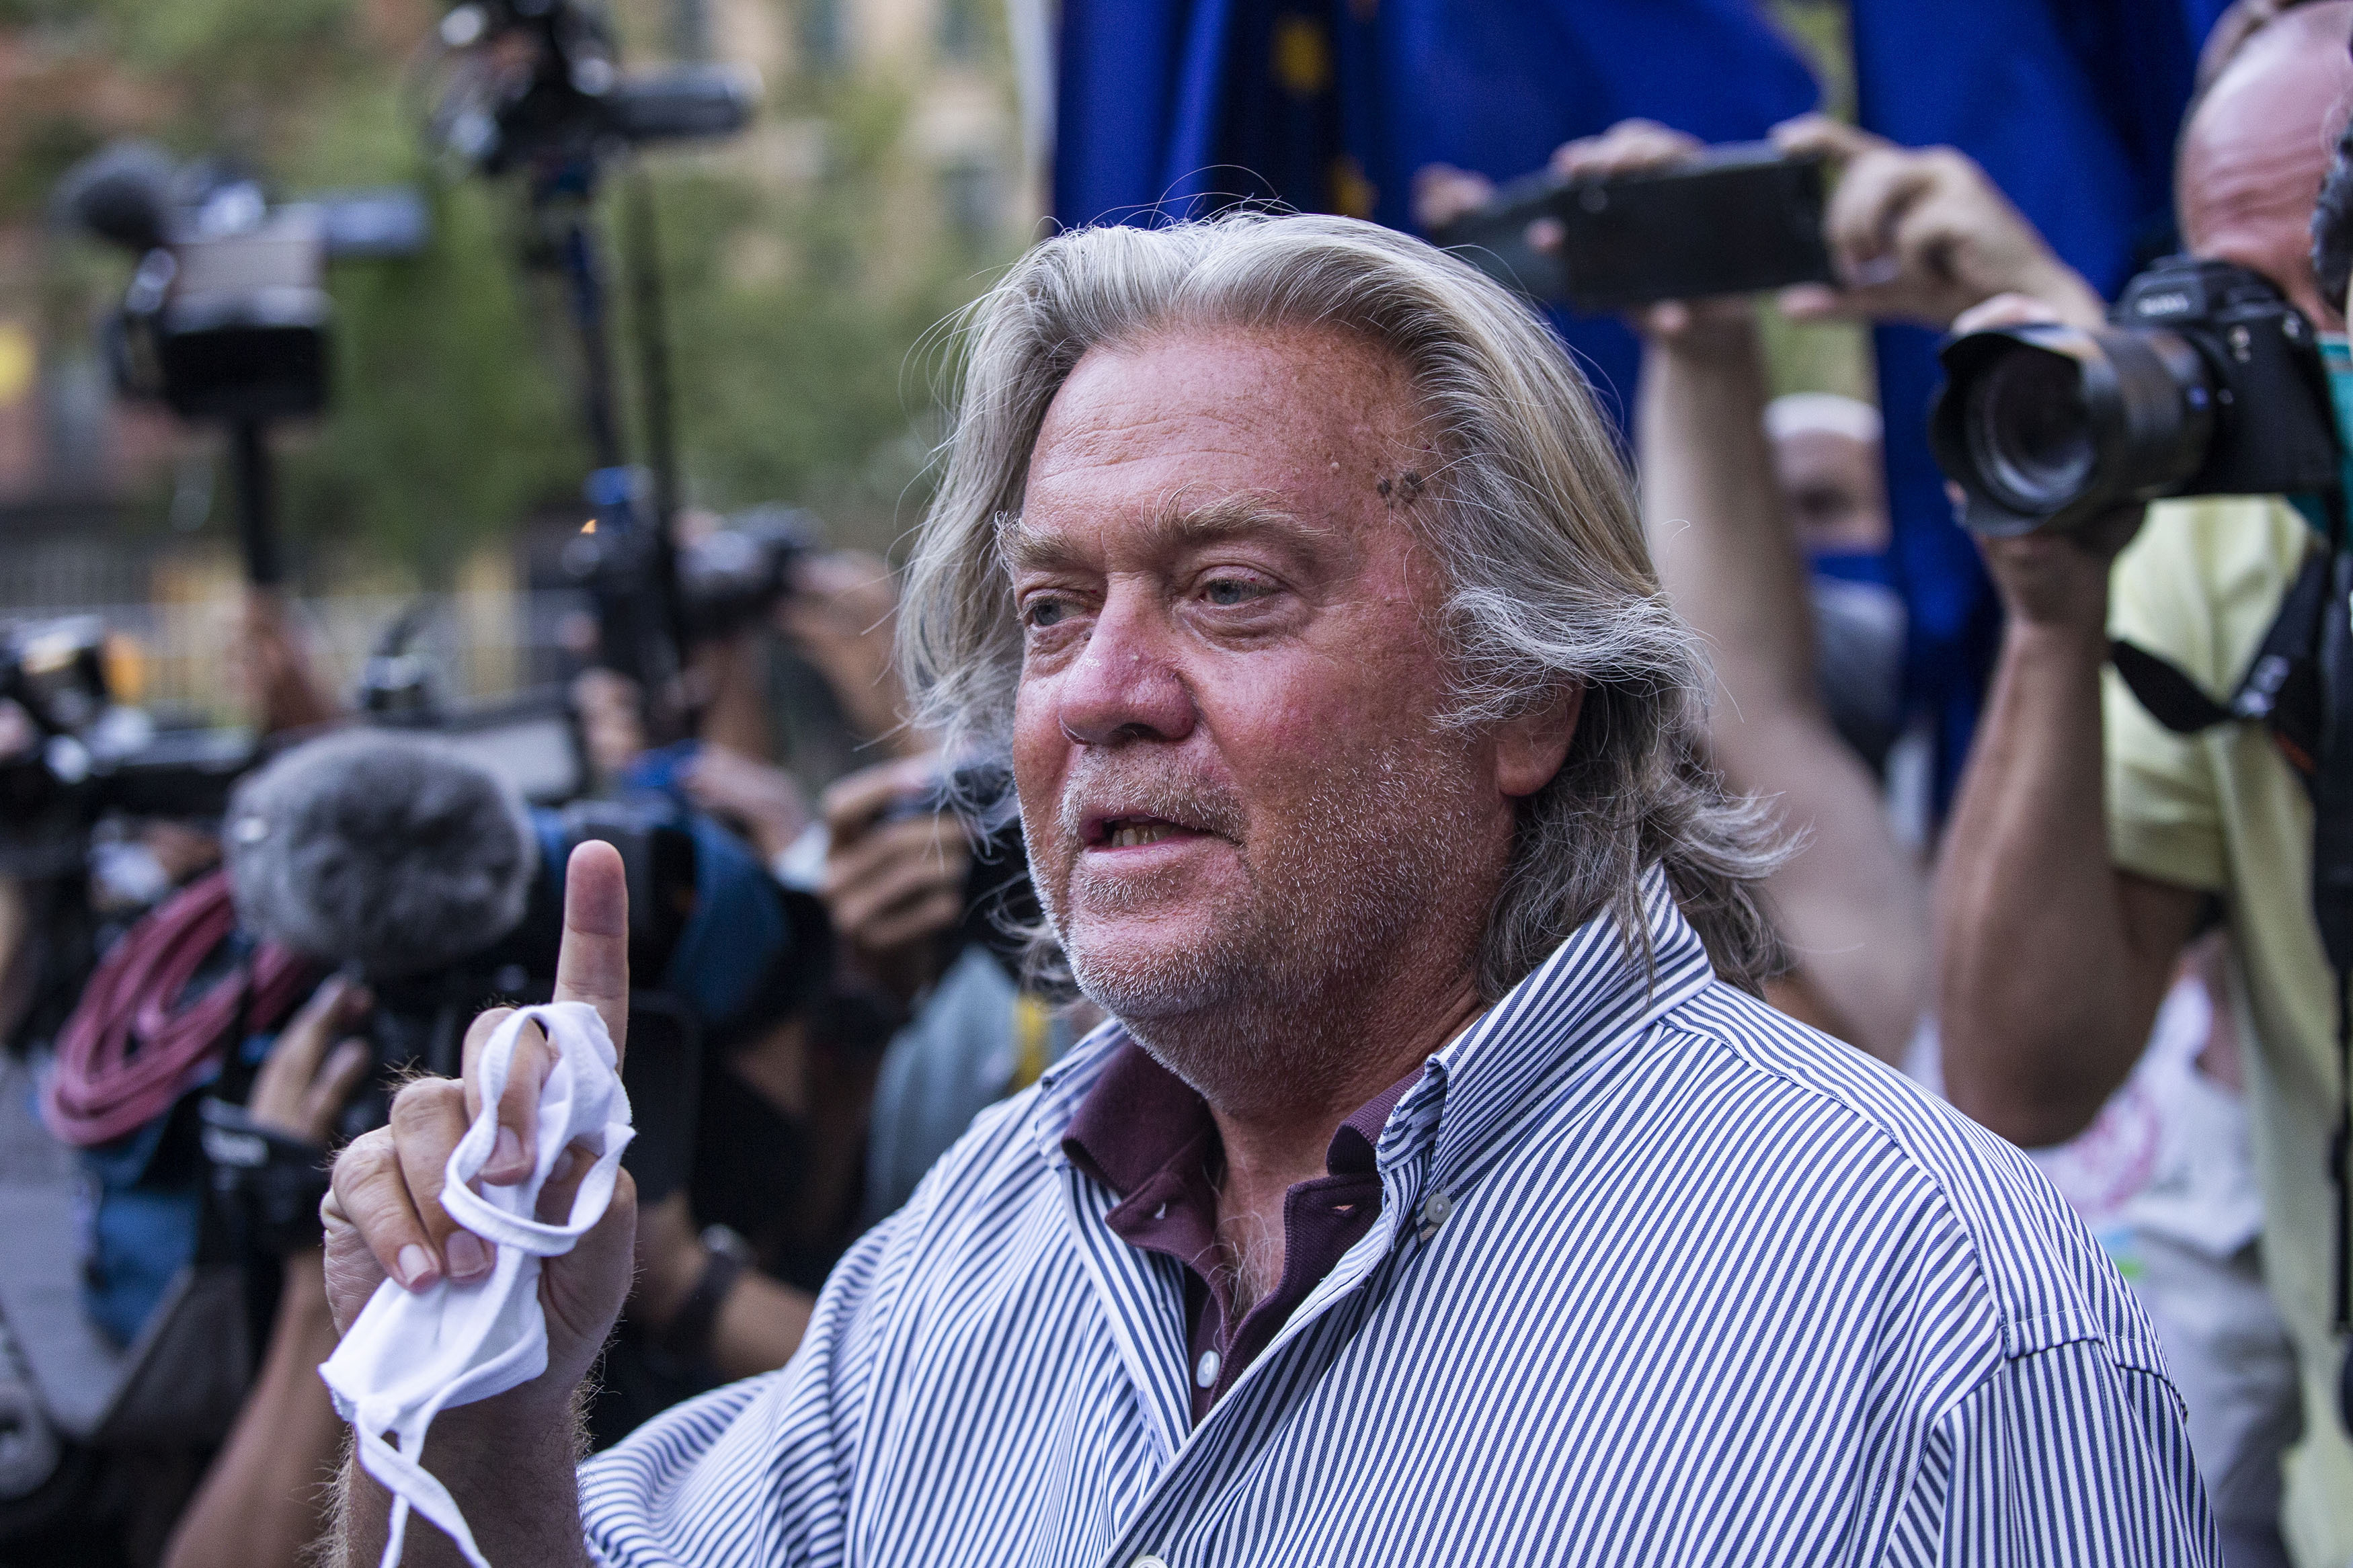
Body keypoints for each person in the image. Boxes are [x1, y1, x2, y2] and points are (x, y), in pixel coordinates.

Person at [319, 212, 2210, 1565]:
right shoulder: (976, 1246)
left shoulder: (1935, 1305)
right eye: (1054, 607)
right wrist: (475, 1402)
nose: (1101, 694)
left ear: (1522, 691)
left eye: (1230, 589)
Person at [1936, 5, 2353, 1561]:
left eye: (2341, 265)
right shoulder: (2231, 541)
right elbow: (2020, 1079)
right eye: (2236, 303)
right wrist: (2055, 618)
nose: (2300, 347)